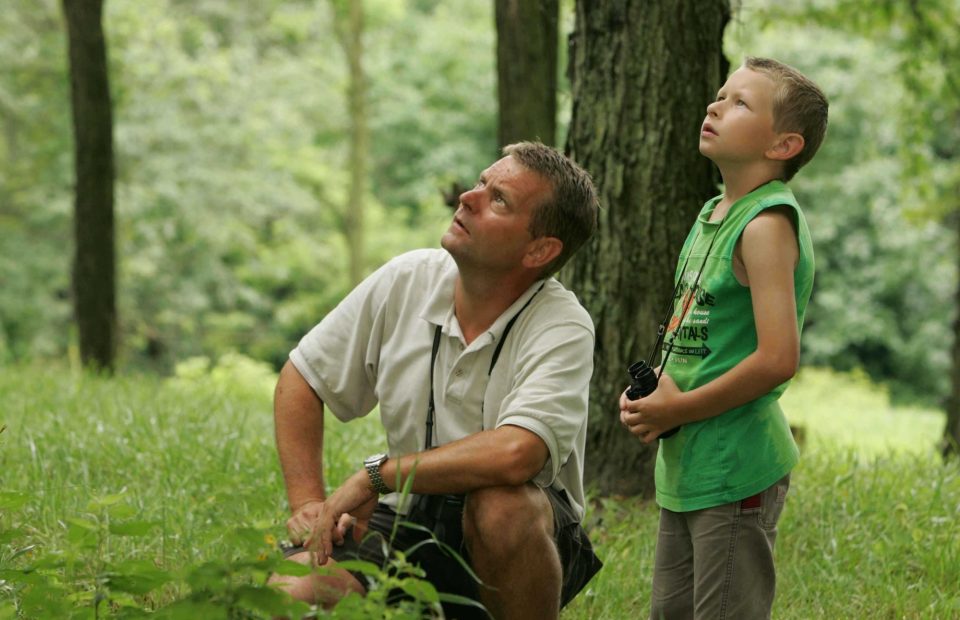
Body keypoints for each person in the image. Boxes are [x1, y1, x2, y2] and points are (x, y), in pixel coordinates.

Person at [270, 141, 603, 619]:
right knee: (290, 590)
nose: (468, 197)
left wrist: (377, 477)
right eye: (480, 183)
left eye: (499, 199)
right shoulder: (407, 278)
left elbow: (517, 452)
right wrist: (309, 503)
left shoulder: (562, 324)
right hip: (406, 519)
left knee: (499, 506)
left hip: (521, 536)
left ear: (540, 250)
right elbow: (302, 377)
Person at [619, 57, 828, 619]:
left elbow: (778, 358)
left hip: (736, 466)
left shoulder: (765, 225)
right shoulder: (715, 212)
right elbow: (698, 326)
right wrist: (656, 391)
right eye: (720, 95)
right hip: (689, 463)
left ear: (783, 145)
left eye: (740, 103)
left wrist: (679, 407)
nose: (714, 106)